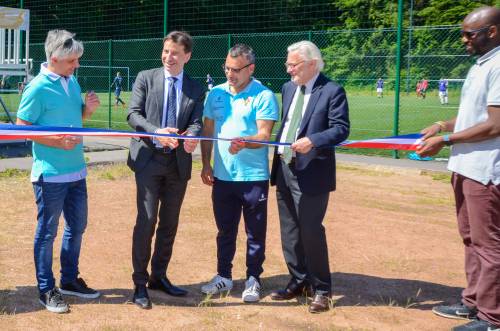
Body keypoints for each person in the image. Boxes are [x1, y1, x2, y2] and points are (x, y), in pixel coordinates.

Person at [417, 6, 500, 331]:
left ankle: (492, 318)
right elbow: (473, 116)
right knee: (471, 238)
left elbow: (495, 125)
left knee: (489, 244)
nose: (464, 40)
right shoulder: (481, 65)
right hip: (466, 167)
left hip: (486, 170)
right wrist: (441, 124)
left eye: (470, 34)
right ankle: (473, 301)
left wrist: (447, 139)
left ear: (491, 31)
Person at [16, 29, 101, 313]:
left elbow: (75, 119)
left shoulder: (72, 81)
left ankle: (68, 280)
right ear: (55, 58)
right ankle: (46, 289)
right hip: (49, 175)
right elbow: (21, 129)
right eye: (72, 61)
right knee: (47, 232)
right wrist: (56, 141)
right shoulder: (37, 88)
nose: (76, 65)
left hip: (77, 171)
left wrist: (87, 110)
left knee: (77, 228)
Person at [269, 41, 350, 313]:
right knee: (289, 230)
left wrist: (313, 140)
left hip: (312, 173)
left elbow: (341, 130)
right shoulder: (288, 88)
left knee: (311, 231)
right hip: (284, 167)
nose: (288, 69)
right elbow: (287, 123)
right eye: (288, 64)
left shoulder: (332, 91)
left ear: (312, 63)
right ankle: (299, 280)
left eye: (294, 64)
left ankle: (322, 290)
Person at [127, 31, 204, 309]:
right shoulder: (145, 77)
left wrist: (191, 136)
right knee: (146, 221)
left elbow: (196, 121)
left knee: (169, 224)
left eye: (174, 53)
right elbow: (133, 114)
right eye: (165, 51)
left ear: (187, 56)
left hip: (178, 164)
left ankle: (159, 277)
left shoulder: (194, 88)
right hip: (148, 160)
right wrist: (156, 131)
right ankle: (139, 284)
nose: (168, 57)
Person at [200, 44, 279, 302]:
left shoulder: (264, 95)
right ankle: (223, 276)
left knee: (255, 233)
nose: (230, 74)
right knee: (225, 231)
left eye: (236, 70)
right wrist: (205, 164)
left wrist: (245, 141)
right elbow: (208, 132)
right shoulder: (215, 94)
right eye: (227, 68)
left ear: (250, 68)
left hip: (253, 177)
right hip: (222, 177)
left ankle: (253, 279)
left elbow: (264, 136)